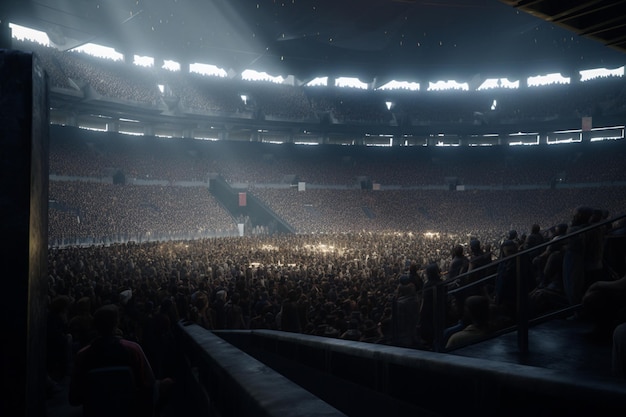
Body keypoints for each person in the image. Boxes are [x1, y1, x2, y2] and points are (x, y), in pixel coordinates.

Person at [68, 304, 173, 417]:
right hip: (131, 407)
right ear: (116, 324)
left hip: (97, 410)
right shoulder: (133, 349)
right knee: (168, 384)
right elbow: (148, 382)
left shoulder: (82, 355)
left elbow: (74, 398)